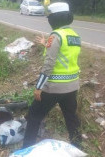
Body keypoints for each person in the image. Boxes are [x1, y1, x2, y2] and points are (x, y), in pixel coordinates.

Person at [22, 2, 82, 149]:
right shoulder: (74, 35)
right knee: (71, 118)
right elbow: (63, 55)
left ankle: (26, 148)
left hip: (54, 86)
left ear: (55, 19)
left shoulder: (56, 35)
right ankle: (78, 147)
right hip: (72, 86)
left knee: (34, 115)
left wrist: (38, 87)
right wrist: (45, 44)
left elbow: (49, 63)